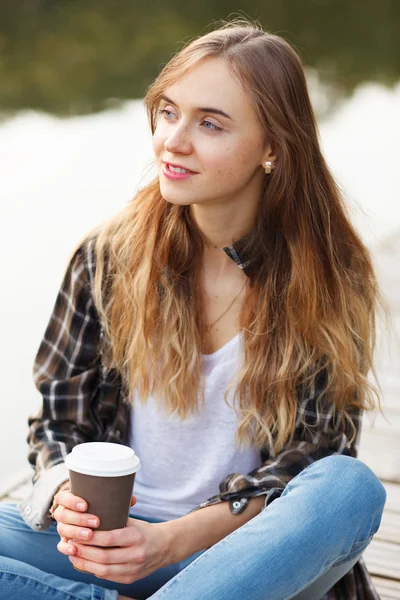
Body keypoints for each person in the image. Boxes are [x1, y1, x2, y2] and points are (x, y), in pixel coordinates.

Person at [0, 18, 389, 600]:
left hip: (248, 556)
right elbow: (59, 423)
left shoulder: (328, 276)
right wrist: (66, 498)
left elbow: (313, 456)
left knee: (348, 487)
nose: (173, 141)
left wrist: (174, 541)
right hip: (118, 545)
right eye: (167, 112)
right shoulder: (106, 258)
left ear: (273, 148)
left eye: (210, 123)